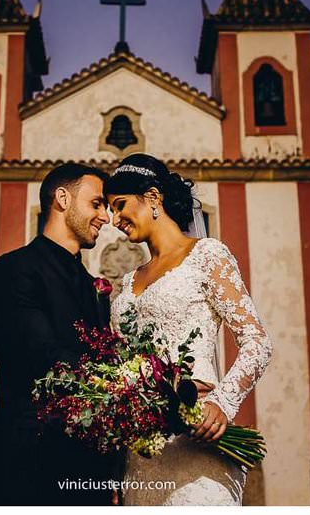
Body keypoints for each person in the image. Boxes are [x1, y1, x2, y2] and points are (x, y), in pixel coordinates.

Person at [104, 153, 274, 506]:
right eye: (110, 210)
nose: (114, 219)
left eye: (120, 206)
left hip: (198, 442)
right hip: (143, 454)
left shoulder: (207, 255)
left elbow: (257, 342)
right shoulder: (127, 281)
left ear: (153, 198)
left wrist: (222, 405)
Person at [0, 163, 119, 506]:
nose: (106, 218)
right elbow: (40, 357)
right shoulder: (13, 269)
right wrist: (125, 384)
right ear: (62, 199)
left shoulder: (95, 288)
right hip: (27, 465)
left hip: (88, 474)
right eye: (97, 204)